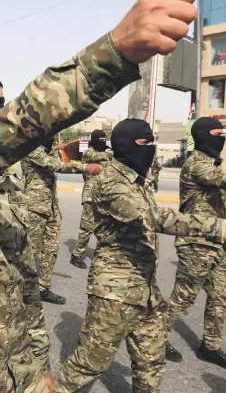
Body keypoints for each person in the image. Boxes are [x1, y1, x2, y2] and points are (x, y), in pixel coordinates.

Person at [0, 0, 198, 393]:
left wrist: (40, 371)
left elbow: (24, 292)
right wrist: (112, 55)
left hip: (19, 374)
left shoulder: (6, 184)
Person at [55, 118, 226, 393]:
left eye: (152, 142)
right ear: (124, 145)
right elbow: (153, 217)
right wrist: (218, 228)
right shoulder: (111, 182)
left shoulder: (136, 177)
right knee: (88, 364)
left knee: (151, 361)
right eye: (144, 143)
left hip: (146, 288)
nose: (151, 148)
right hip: (115, 291)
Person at [165, 117, 226, 368]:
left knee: (219, 297)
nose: (222, 136)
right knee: (183, 297)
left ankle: (210, 346)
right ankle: (156, 337)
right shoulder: (195, 164)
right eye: (217, 132)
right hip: (196, 242)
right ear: (202, 135)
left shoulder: (213, 164)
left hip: (218, 241)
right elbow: (219, 180)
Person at [21, 138, 102, 304]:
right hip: (35, 207)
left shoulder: (46, 149)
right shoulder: (32, 148)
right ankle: (24, 290)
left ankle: (43, 287)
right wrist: (84, 167)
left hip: (51, 207)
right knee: (32, 251)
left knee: (51, 249)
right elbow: (56, 165)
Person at [70, 129, 112, 269]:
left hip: (104, 195)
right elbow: (98, 158)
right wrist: (110, 154)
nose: (103, 142)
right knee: (86, 228)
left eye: (104, 140)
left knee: (105, 228)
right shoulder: (88, 152)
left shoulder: (107, 153)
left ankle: (103, 255)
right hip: (90, 195)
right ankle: (76, 255)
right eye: (100, 140)